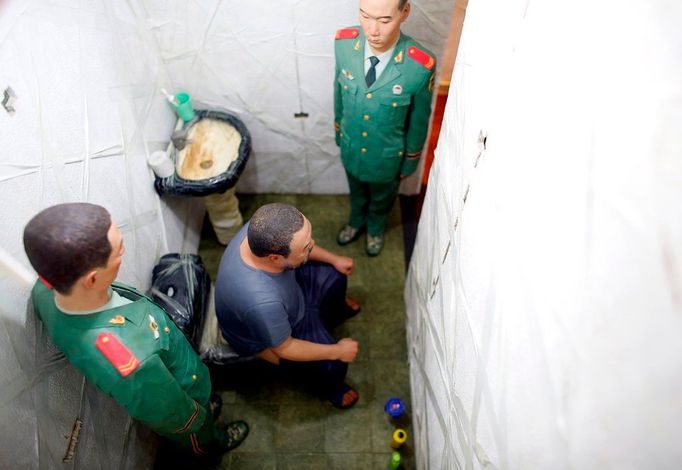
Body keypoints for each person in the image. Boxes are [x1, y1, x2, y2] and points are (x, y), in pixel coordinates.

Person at [23, 203, 248, 458]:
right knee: (198, 430)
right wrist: (194, 417)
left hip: (175, 367)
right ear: (93, 279)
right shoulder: (128, 358)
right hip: (181, 395)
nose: (124, 250)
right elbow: (167, 409)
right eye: (119, 251)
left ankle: (205, 406)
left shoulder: (46, 290)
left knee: (202, 402)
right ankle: (213, 441)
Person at [214, 203, 361, 409]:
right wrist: (337, 351)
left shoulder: (262, 229)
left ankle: (335, 312)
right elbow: (285, 348)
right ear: (274, 257)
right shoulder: (261, 301)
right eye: (305, 248)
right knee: (333, 366)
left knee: (337, 276)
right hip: (273, 336)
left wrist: (334, 259)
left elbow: (304, 245)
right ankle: (332, 390)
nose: (313, 245)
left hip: (291, 293)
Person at [334, 0, 437, 256]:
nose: (372, 30)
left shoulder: (418, 65)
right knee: (356, 190)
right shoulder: (344, 44)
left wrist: (410, 161)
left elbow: (419, 120)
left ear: (405, 13)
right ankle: (356, 221)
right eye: (365, 16)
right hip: (351, 145)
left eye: (384, 20)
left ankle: (375, 229)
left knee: (382, 198)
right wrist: (339, 131)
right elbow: (337, 90)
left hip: (387, 157)